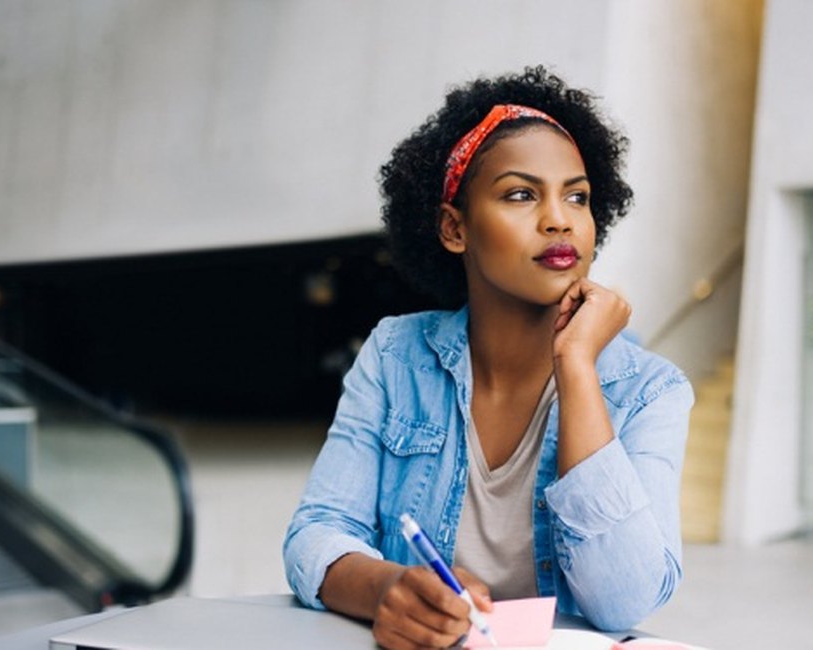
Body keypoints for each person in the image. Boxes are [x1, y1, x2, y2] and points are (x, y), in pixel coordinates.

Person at [284, 66, 694, 648]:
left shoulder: (651, 389)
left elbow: (624, 601)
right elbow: (318, 533)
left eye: (576, 196)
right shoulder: (396, 356)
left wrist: (577, 368)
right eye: (522, 194)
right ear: (455, 228)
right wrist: (387, 589)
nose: (559, 219)